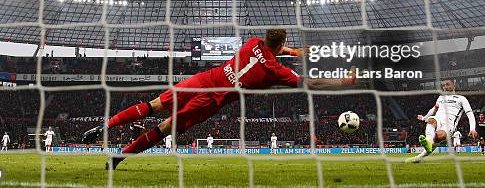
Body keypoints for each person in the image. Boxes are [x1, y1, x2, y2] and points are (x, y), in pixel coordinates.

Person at [82, 29, 356, 170]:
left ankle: (105, 126)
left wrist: (294, 51)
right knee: (165, 127)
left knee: (154, 105)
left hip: (204, 79)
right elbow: (311, 82)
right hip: (213, 98)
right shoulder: (277, 71)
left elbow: (275, 46)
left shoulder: (252, 43)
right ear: (280, 44)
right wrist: (340, 82)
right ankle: (119, 157)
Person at [406, 78, 477, 163]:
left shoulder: (461, 99)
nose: (445, 87)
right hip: (438, 118)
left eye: (447, 84)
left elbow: (470, 114)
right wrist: (425, 117)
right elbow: (434, 109)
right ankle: (428, 141)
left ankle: (419, 157)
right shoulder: (440, 97)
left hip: (449, 124)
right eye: (443, 85)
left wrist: (472, 128)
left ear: (454, 85)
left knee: (440, 136)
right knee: (431, 120)